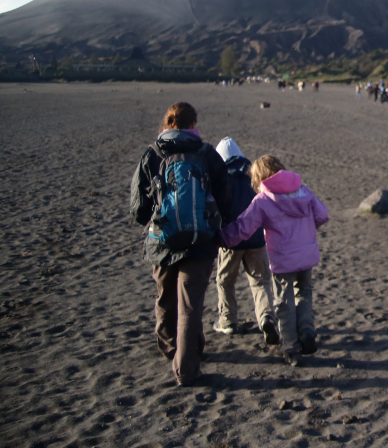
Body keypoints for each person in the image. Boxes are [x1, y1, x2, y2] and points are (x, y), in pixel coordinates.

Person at [130, 102, 230, 387]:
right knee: (190, 306)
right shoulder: (206, 153)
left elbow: (138, 209)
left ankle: (171, 350)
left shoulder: (152, 153)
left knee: (164, 298)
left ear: (167, 122)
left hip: (162, 242)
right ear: (193, 124)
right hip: (200, 243)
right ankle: (188, 366)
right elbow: (224, 195)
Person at [220, 155, 329, 366]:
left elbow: (244, 227)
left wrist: (221, 238)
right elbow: (322, 214)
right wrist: (306, 230)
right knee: (304, 292)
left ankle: (291, 345)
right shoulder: (303, 190)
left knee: (283, 300)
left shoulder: (263, 200)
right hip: (306, 254)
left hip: (283, 259)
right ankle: (306, 330)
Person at [211, 138, 279, 347]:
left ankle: (228, 320)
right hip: (257, 239)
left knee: (225, 281)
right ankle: (266, 317)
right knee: (260, 282)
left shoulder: (221, 178)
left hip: (230, 239)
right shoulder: (254, 175)